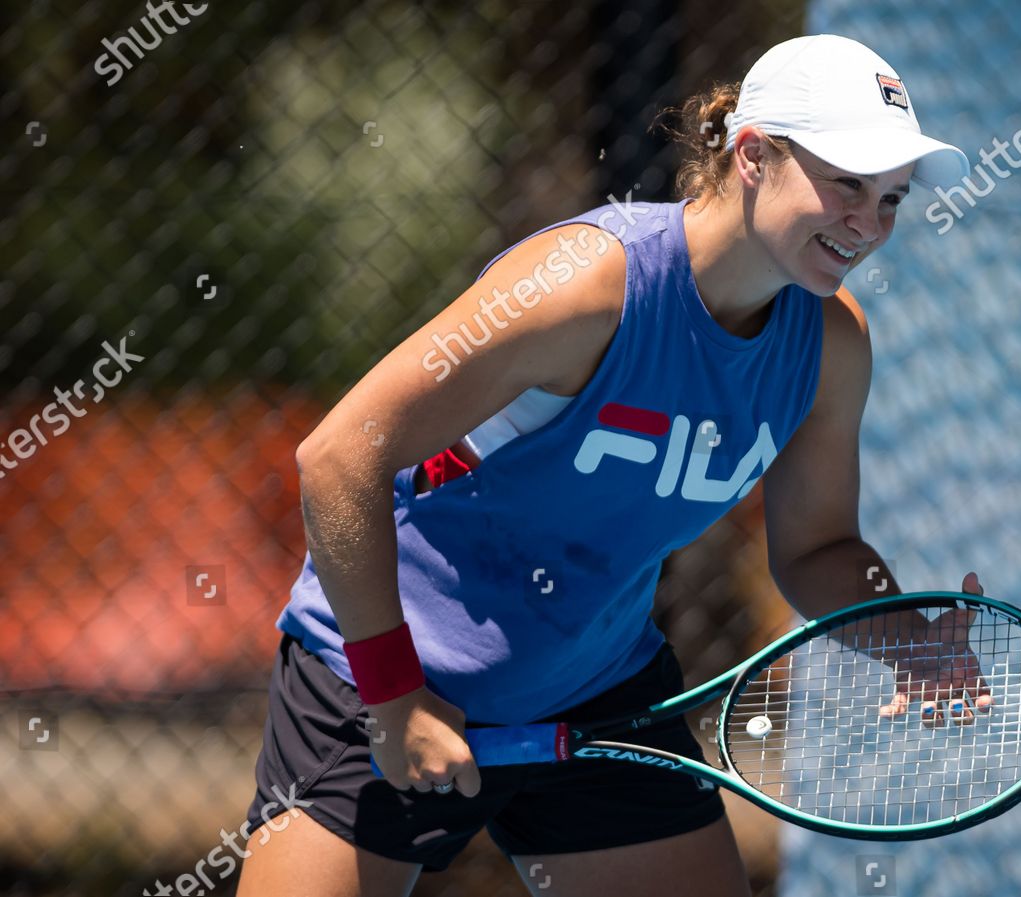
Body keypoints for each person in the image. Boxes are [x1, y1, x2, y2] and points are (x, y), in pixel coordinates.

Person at [236, 33, 978, 897]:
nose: (868, 223)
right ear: (751, 155)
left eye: (891, 199)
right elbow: (336, 459)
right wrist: (394, 694)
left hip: (598, 690)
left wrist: (906, 637)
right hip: (380, 671)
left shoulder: (831, 347)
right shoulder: (584, 285)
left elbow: (816, 549)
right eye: (846, 182)